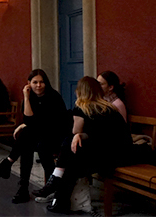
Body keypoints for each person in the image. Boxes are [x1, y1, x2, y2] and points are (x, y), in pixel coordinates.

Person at [33, 76, 131, 214]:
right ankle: (59, 196)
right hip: (119, 151)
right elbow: (98, 136)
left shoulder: (82, 107)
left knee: (71, 150)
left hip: (110, 157)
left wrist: (78, 135)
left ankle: (56, 185)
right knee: (72, 155)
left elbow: (76, 131)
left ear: (80, 91)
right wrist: (81, 136)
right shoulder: (108, 108)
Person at [0, 69, 70, 204]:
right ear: (29, 83)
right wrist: (26, 96)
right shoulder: (30, 97)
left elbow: (52, 123)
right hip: (40, 134)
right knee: (26, 144)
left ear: (46, 83)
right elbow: (30, 121)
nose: (38, 85)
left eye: (41, 82)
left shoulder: (54, 96)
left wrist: (24, 125)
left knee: (29, 138)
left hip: (56, 135)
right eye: (35, 82)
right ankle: (22, 188)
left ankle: (8, 166)